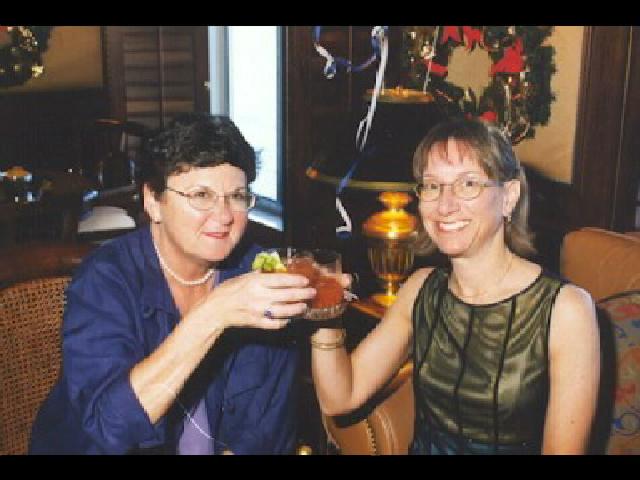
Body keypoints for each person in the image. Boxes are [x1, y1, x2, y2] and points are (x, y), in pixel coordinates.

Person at [29, 113, 316, 455]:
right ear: (153, 201)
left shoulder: (258, 275)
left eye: (238, 196)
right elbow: (111, 427)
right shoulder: (106, 278)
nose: (224, 215)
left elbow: (270, 433)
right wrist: (213, 314)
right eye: (201, 195)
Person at [310, 118, 601, 454]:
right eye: (432, 186)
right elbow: (340, 398)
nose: (445, 205)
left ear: (509, 197)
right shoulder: (421, 289)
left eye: (468, 184)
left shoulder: (566, 310)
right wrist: (325, 308)